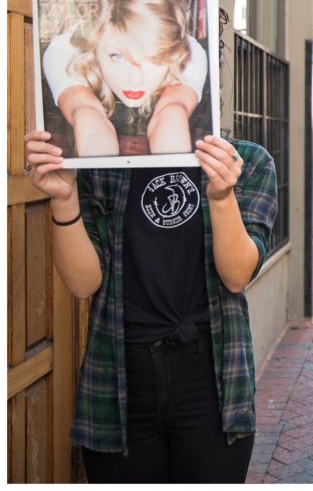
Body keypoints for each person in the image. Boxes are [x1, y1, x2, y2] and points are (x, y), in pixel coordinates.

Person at [24, 123, 277, 483]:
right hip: (119, 377)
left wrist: (222, 197)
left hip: (213, 379)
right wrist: (63, 199)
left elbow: (237, 275)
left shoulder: (245, 161)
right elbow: (83, 284)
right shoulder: (99, 164)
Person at [41, 0, 208, 157]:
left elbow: (170, 114)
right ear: (94, 49)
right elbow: (88, 114)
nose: (135, 81)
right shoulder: (64, 51)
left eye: (153, 59)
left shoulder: (190, 54)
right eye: (117, 57)